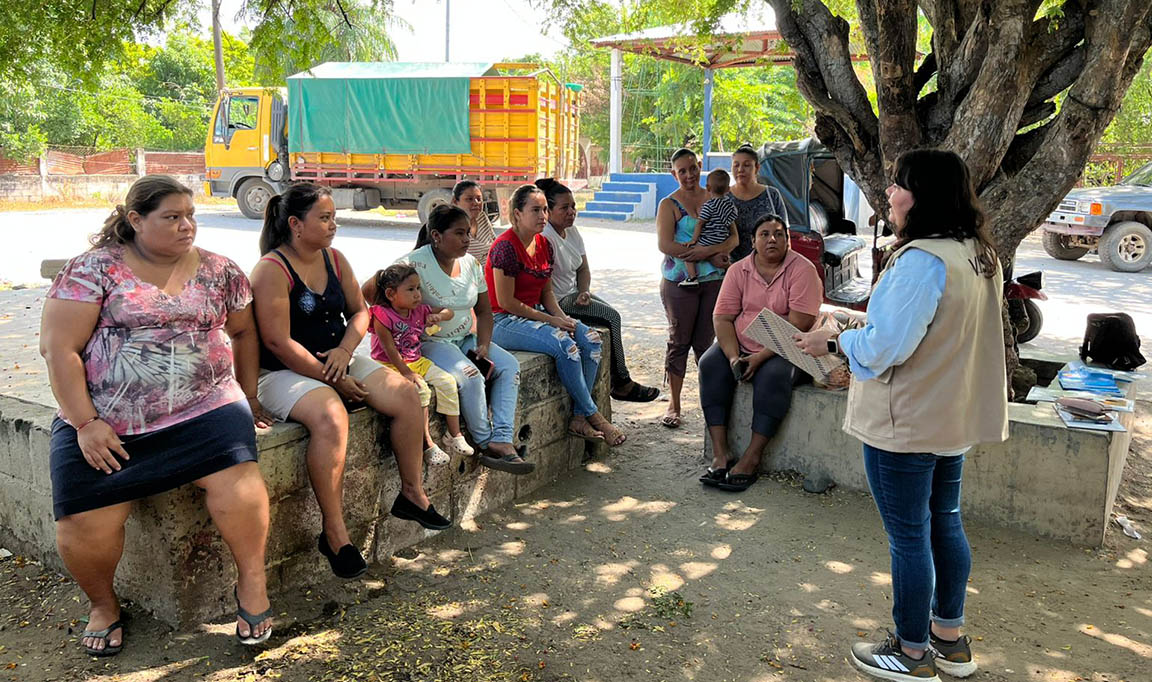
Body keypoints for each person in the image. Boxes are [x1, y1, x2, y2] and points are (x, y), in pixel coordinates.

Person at [795, 149, 1008, 682]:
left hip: (906, 422)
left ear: (924, 196)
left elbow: (886, 347)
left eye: (899, 185)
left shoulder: (921, 261)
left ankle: (911, 652)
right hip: (949, 418)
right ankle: (948, 641)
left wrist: (835, 340)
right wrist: (854, 325)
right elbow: (931, 331)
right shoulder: (978, 254)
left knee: (910, 537)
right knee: (945, 522)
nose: (889, 194)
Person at [40, 175, 275, 655]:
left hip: (206, 407)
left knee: (241, 486)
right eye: (172, 217)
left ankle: (252, 583)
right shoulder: (93, 269)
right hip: (108, 419)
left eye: (190, 215)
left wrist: (248, 396)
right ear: (135, 220)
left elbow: (243, 333)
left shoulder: (220, 270)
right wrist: (85, 422)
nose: (187, 226)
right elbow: (59, 349)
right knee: (83, 521)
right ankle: (103, 605)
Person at [252, 183, 451, 566]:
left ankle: (412, 494)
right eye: (324, 218)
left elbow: (360, 312)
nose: (334, 225)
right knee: (332, 416)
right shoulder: (272, 270)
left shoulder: (335, 259)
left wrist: (345, 351)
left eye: (334, 217)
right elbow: (277, 342)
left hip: (336, 358)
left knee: (407, 393)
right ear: (295, 224)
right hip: (282, 371)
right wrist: (333, 377)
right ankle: (335, 534)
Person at [387, 205, 531, 474]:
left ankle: (502, 437)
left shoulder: (471, 264)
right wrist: (408, 321)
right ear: (436, 236)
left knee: (509, 365)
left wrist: (484, 344)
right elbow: (377, 293)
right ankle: (486, 443)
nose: (467, 239)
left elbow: (484, 311)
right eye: (459, 233)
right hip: (431, 342)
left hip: (466, 337)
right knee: (470, 376)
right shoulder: (413, 263)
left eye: (468, 233)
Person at [486, 184, 626, 446]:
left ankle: (578, 417)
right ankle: (594, 416)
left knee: (591, 340)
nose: (543, 216)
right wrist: (552, 321)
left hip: (534, 314)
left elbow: (546, 292)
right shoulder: (505, 247)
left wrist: (563, 319)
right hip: (502, 320)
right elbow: (506, 302)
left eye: (545, 210)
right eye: (535, 210)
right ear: (517, 214)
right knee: (566, 346)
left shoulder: (543, 244)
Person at [697, 214, 822, 492]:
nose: (772, 239)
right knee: (710, 365)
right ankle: (721, 454)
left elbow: (799, 324)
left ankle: (752, 458)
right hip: (742, 343)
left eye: (779, 234)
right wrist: (733, 358)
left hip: (788, 347)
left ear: (788, 241)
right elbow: (723, 318)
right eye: (764, 234)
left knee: (773, 376)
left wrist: (760, 357)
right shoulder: (738, 270)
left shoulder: (803, 269)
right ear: (753, 241)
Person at [536, 177, 660, 403]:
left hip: (574, 293)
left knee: (611, 314)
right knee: (611, 317)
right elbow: (545, 286)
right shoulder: (545, 238)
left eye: (573, 206)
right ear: (549, 211)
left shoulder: (572, 232)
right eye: (564, 208)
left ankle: (618, 379)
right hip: (558, 301)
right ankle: (622, 382)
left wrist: (584, 291)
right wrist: (561, 313)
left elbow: (583, 268)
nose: (571, 212)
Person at [656, 148, 739, 428]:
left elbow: (734, 238)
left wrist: (710, 252)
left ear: (700, 166)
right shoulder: (669, 204)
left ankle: (709, 404)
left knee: (705, 344)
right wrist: (701, 255)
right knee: (679, 341)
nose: (689, 175)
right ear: (674, 174)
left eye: (693, 168)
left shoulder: (717, 197)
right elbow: (665, 244)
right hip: (679, 283)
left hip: (713, 281)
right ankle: (674, 404)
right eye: (682, 171)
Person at [366, 264, 470, 465]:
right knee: (421, 391)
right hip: (390, 365)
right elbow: (389, 350)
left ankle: (454, 434)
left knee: (448, 381)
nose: (417, 294)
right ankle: (427, 443)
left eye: (418, 288)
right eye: (411, 289)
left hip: (416, 360)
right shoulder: (381, 315)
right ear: (390, 294)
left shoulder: (419, 311)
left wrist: (439, 316)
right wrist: (406, 372)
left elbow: (449, 312)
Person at [729, 144, 789, 263]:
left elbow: (784, 234)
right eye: (736, 165)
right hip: (732, 266)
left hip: (768, 265)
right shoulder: (724, 197)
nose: (740, 169)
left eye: (747, 165)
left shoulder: (771, 195)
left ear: (757, 167)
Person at [679, 168, 737, 288]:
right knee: (722, 260)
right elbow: (731, 220)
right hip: (722, 239)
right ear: (728, 189)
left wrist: (693, 240)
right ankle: (731, 270)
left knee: (689, 256)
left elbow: (700, 223)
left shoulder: (709, 206)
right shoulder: (730, 205)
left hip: (708, 240)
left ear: (708, 188)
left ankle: (692, 278)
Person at [451, 179, 497, 263]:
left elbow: (495, 244)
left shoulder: (481, 217)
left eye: (479, 199)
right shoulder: (450, 227)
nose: (476, 203)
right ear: (455, 201)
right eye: (469, 199)